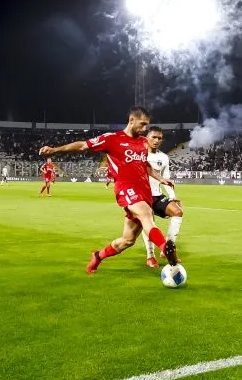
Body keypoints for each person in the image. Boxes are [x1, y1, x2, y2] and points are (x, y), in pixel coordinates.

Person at [38, 106, 178, 275]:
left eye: (146, 125)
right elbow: (83, 145)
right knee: (146, 214)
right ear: (131, 120)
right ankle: (166, 249)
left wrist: (161, 178)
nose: (144, 129)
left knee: (127, 240)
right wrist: (55, 149)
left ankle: (98, 256)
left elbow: (144, 165)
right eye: (142, 124)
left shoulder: (142, 142)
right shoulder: (112, 139)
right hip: (126, 189)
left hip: (144, 192)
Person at [141, 126, 184, 268]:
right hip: (141, 197)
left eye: (159, 138)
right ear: (146, 137)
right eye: (153, 137)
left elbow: (166, 179)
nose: (157, 140)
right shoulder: (138, 154)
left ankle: (168, 248)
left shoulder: (164, 158)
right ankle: (150, 256)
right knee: (149, 223)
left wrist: (172, 197)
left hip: (157, 195)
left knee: (177, 212)